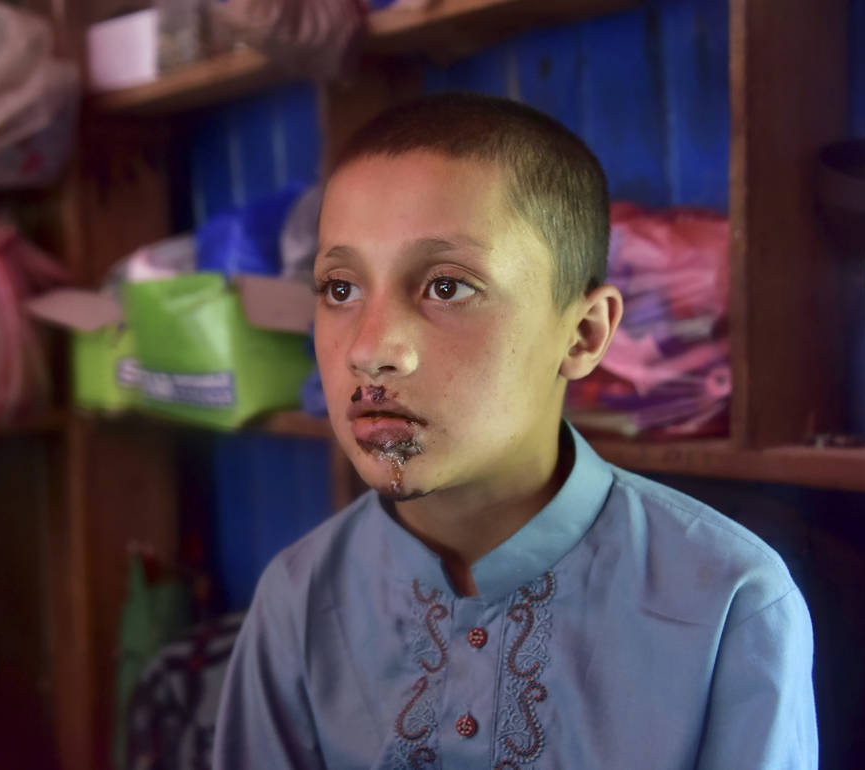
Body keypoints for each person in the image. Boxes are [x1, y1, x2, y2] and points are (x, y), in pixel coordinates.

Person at [212, 93, 817, 768]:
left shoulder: (730, 603)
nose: (369, 348)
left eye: (446, 287)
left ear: (584, 334)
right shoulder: (299, 598)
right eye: (340, 288)